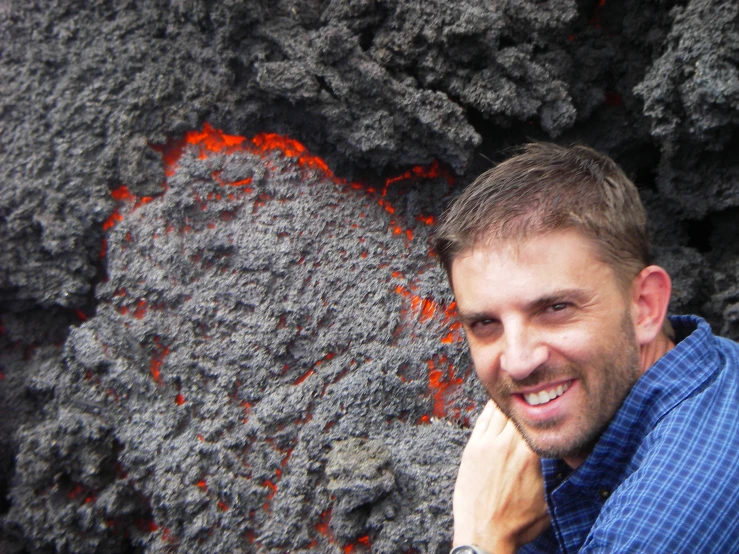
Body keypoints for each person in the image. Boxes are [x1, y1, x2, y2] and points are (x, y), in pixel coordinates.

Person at [433, 143, 739, 553]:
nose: (519, 362)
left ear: (645, 306)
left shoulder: (662, 523)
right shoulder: (682, 371)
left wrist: (483, 536)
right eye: (485, 324)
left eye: (555, 308)